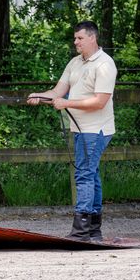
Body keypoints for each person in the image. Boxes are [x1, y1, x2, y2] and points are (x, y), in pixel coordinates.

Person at [27, 20, 117, 241]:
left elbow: (99, 102)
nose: (75, 42)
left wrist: (66, 104)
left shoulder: (104, 65)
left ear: (92, 38)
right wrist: (39, 96)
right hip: (80, 129)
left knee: (84, 174)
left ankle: (81, 230)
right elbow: (58, 90)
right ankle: (94, 230)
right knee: (91, 175)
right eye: (75, 38)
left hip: (96, 130)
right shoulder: (75, 63)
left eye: (80, 38)